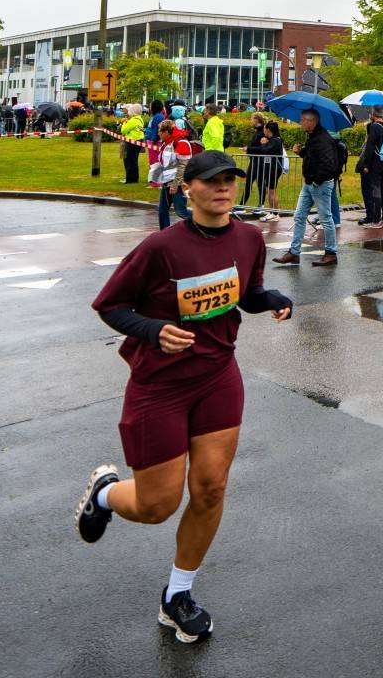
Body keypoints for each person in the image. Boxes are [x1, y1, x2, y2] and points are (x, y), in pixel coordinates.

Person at [74, 150, 293, 644]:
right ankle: (105, 493)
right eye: (212, 181)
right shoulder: (161, 247)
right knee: (157, 505)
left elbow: (247, 293)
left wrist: (273, 300)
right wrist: (153, 330)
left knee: (211, 488)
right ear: (186, 188)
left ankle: (178, 595)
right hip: (161, 386)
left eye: (230, 180)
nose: (223, 188)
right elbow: (110, 306)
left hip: (218, 377)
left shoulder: (248, 238)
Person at [274, 108, 339, 267]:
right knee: (299, 216)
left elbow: (328, 164)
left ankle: (331, 253)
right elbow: (313, 157)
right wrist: (301, 152)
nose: (300, 122)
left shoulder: (323, 139)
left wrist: (317, 181)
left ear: (311, 121)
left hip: (319, 184)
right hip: (310, 183)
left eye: (302, 119)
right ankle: (294, 252)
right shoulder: (314, 137)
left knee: (326, 218)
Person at [357, 105, 383, 228]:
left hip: (376, 161)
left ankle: (376, 220)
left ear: (373, 114)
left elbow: (370, 147)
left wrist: (366, 164)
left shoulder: (374, 127)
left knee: (375, 189)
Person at [153, 120, 192, 229]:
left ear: (166, 132)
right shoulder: (166, 143)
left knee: (181, 211)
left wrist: (175, 184)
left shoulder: (181, 143)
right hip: (167, 182)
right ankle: (164, 234)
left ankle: (206, 223)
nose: (158, 133)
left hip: (178, 183)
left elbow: (183, 166)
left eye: (160, 131)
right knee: (162, 210)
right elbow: (165, 163)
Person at [257, 120, 284, 220]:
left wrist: (263, 144)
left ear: (268, 130)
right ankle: (271, 211)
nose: (263, 130)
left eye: (264, 128)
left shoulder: (276, 140)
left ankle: (275, 213)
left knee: (271, 191)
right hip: (271, 168)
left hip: (274, 168)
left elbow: (266, 150)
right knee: (269, 190)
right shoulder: (273, 140)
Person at [119, 106, 146, 184]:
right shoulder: (140, 119)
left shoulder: (133, 120)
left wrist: (124, 122)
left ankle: (129, 179)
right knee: (134, 161)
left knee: (128, 161)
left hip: (131, 142)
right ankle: (134, 178)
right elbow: (141, 129)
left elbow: (123, 130)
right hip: (138, 141)